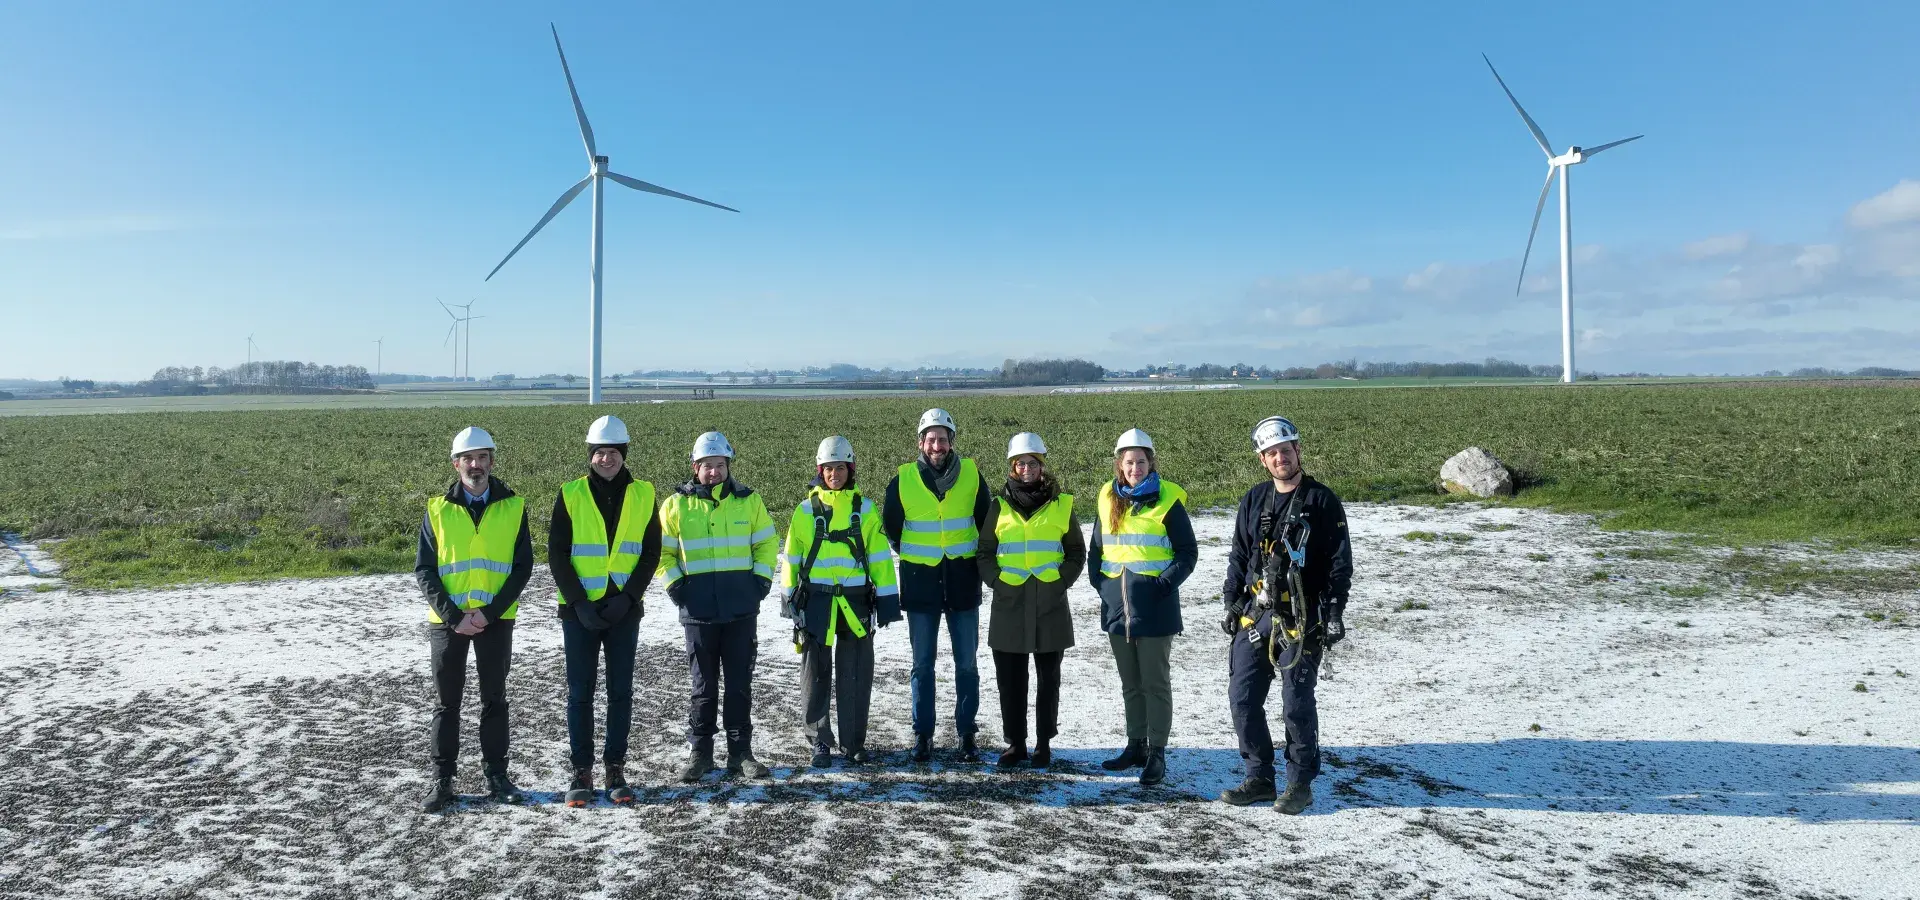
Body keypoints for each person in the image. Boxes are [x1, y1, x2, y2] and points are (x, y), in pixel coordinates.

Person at [1218, 416, 1352, 814]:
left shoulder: (1322, 501)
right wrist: (1231, 600)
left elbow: (1338, 564)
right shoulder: (1254, 500)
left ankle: (1299, 784)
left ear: (1298, 451)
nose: (1281, 458)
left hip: (1302, 617)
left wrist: (1333, 612)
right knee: (1242, 699)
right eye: (1272, 453)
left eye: (1286, 450)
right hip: (1255, 616)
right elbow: (1240, 555)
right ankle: (1259, 777)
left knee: (1296, 703)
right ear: (1263, 459)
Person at [415, 426, 535, 812]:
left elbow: (521, 568)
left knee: (494, 700)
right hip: (448, 623)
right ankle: (442, 781)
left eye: (482, 457)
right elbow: (425, 570)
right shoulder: (437, 509)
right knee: (446, 703)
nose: (475, 465)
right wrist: (454, 616)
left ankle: (497, 776)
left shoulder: (514, 507)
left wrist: (487, 613)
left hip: (495, 621)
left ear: (491, 462)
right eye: (468, 458)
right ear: (456, 464)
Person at [550, 415, 661, 807]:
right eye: (599, 452)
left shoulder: (645, 494)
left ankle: (615, 767)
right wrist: (578, 602)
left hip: (623, 611)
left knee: (620, 692)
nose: (605, 459)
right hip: (579, 612)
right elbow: (557, 554)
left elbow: (650, 553)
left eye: (612, 452)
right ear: (590, 455)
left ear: (623, 454)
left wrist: (628, 598)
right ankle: (581, 770)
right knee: (579, 693)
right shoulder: (570, 494)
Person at [658, 431, 779, 781]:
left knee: (740, 684)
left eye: (720, 465)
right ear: (695, 468)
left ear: (728, 466)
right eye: (707, 466)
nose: (714, 472)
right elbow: (663, 554)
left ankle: (741, 754)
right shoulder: (675, 504)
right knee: (703, 686)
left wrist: (760, 582)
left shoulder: (748, 501)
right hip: (698, 613)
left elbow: (767, 543)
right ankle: (701, 754)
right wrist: (678, 588)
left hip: (741, 610)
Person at [779, 435, 901, 768]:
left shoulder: (865, 509)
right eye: (829, 468)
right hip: (816, 605)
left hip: (856, 604)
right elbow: (791, 558)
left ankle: (853, 742)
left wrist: (888, 602)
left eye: (841, 468)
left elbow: (879, 559)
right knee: (814, 675)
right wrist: (789, 600)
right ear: (820, 471)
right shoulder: (805, 511)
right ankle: (819, 741)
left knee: (856, 675)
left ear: (850, 470)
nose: (835, 474)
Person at [1086, 428, 1197, 786]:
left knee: (1155, 683)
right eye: (1129, 462)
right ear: (1120, 464)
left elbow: (1187, 553)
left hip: (1155, 609)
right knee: (1130, 683)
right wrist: (1101, 585)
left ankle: (1156, 753)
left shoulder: (1168, 502)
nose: (1135, 468)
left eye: (1141, 461)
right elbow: (1096, 550)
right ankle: (1135, 745)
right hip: (1116, 609)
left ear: (1151, 463)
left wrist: (1161, 585)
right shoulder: (1107, 496)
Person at [882, 408, 993, 762]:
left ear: (952, 442)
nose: (937, 445)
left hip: (962, 583)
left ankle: (966, 734)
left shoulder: (973, 475)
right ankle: (923, 734)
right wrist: (920, 558)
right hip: (921, 586)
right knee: (922, 664)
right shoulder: (902, 479)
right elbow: (893, 529)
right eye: (931, 439)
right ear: (920, 443)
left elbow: (985, 522)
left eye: (943, 439)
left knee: (967, 664)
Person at [976, 432, 1085, 768]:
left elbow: (1076, 551)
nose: (1027, 468)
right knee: (1010, 680)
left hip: (1049, 603)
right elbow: (984, 553)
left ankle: (1043, 744)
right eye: (1020, 463)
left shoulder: (1062, 505)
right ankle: (1016, 743)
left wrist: (1061, 583)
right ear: (1013, 467)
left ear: (1042, 465)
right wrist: (996, 582)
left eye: (1033, 463)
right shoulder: (998, 507)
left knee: (1048, 679)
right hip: (1010, 604)